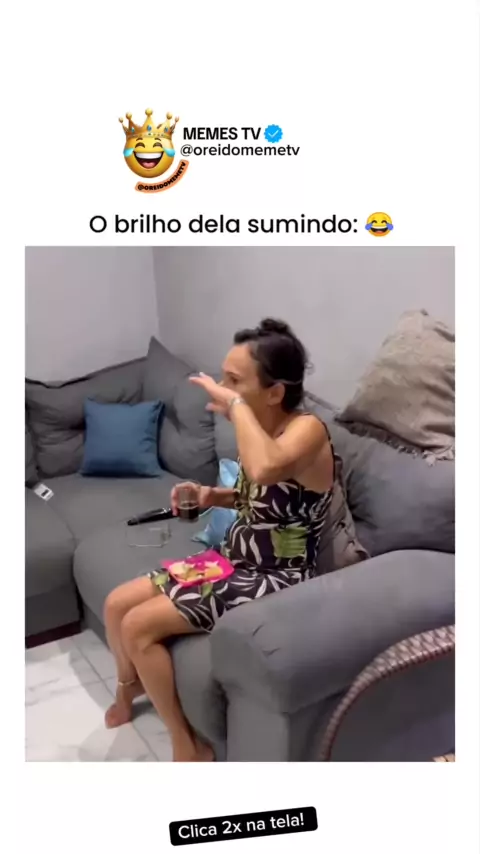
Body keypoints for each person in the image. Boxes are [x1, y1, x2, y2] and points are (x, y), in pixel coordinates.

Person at [103, 319, 336, 761]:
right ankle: (128, 686)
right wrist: (213, 495)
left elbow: (267, 469)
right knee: (117, 604)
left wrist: (237, 409)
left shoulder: (308, 430)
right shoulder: (261, 429)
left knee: (137, 625)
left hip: (275, 577)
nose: (223, 390)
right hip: (233, 559)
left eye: (234, 381)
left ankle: (186, 743)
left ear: (275, 392)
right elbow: (260, 495)